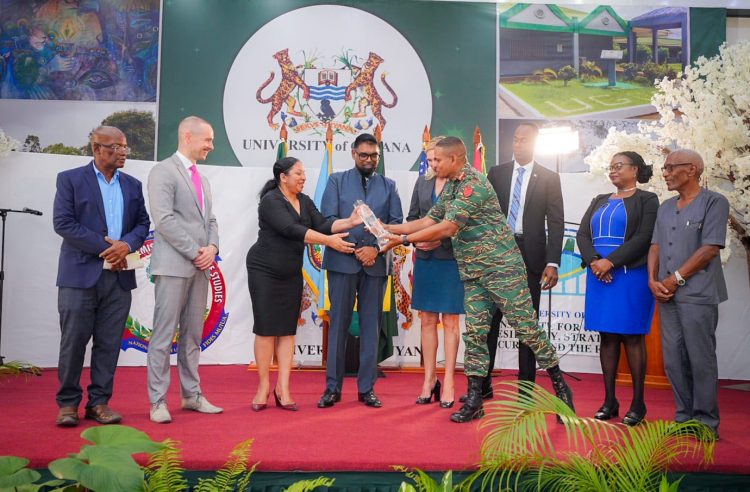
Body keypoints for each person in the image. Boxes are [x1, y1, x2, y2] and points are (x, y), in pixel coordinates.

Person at [382, 137, 574, 423]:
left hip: (502, 270)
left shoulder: (474, 185)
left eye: (439, 160)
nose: (434, 165)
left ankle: (562, 390)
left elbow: (447, 228)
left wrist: (403, 239)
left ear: (455, 159)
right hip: (473, 273)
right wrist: (387, 228)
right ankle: (475, 399)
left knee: (527, 330)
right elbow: (429, 220)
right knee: (475, 335)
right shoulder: (453, 185)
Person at [246, 157, 362, 411]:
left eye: (304, 173)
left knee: (287, 330)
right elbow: (291, 230)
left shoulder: (305, 201)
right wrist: (329, 242)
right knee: (266, 329)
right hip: (264, 269)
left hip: (290, 272)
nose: (303, 177)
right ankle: (264, 386)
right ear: (282, 177)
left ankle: (283, 388)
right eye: (298, 173)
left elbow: (323, 224)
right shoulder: (271, 201)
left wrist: (350, 221)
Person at [52, 126, 150, 426]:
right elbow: (63, 223)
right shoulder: (70, 180)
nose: (122, 153)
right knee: (74, 341)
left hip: (118, 279)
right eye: (114, 148)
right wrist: (107, 248)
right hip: (79, 277)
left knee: (109, 343)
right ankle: (68, 404)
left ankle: (99, 403)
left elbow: (143, 224)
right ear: (96, 148)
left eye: (125, 148)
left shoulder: (132, 185)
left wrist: (126, 246)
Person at [317, 133, 403, 409]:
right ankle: (332, 388)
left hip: (375, 265)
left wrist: (375, 250)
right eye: (364, 155)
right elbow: (327, 221)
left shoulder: (389, 185)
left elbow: (397, 226)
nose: (369, 160)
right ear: (353, 154)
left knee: (370, 329)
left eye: (374, 155)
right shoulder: (336, 181)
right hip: (342, 262)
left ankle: (367, 389)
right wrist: (354, 247)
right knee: (338, 326)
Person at [648, 149, 729, 439]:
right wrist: (652, 280)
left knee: (700, 357)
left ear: (692, 169)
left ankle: (706, 423)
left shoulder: (714, 202)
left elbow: (709, 249)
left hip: (698, 294)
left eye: (670, 168)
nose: (665, 173)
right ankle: (684, 419)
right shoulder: (666, 207)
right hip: (666, 296)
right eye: (664, 168)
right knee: (673, 360)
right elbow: (655, 246)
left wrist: (676, 279)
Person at [146, 116, 221, 423]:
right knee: (163, 336)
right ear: (188, 136)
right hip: (174, 266)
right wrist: (196, 253)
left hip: (199, 268)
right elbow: (163, 220)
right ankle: (158, 401)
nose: (211, 147)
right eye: (208, 141)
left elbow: (211, 221)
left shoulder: (201, 179)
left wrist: (212, 249)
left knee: (192, 336)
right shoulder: (162, 172)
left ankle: (191, 395)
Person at [577, 151, 658, 426]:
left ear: (634, 169)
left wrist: (611, 261)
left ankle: (638, 404)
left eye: (618, 166)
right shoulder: (598, 200)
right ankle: (609, 401)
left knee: (632, 337)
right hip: (599, 276)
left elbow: (644, 237)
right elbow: (582, 234)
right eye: (610, 167)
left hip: (629, 276)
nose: (613, 171)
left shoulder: (647, 199)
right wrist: (596, 262)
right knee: (607, 337)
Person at [483, 121, 564, 399]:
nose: (518, 144)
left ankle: (525, 390)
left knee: (527, 326)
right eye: (515, 140)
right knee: (489, 324)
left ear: (535, 143)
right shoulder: (497, 173)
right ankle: (482, 386)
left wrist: (553, 262)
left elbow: (555, 222)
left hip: (531, 259)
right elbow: (485, 215)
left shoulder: (549, 177)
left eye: (524, 140)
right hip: (496, 257)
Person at [407, 136, 463, 408]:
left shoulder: (462, 184)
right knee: (427, 320)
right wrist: (417, 239)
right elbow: (412, 218)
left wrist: (440, 239)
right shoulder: (423, 182)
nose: (432, 165)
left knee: (451, 322)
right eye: (428, 160)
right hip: (426, 259)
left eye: (435, 160)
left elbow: (466, 225)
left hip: (451, 259)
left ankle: (450, 380)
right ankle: (429, 379)